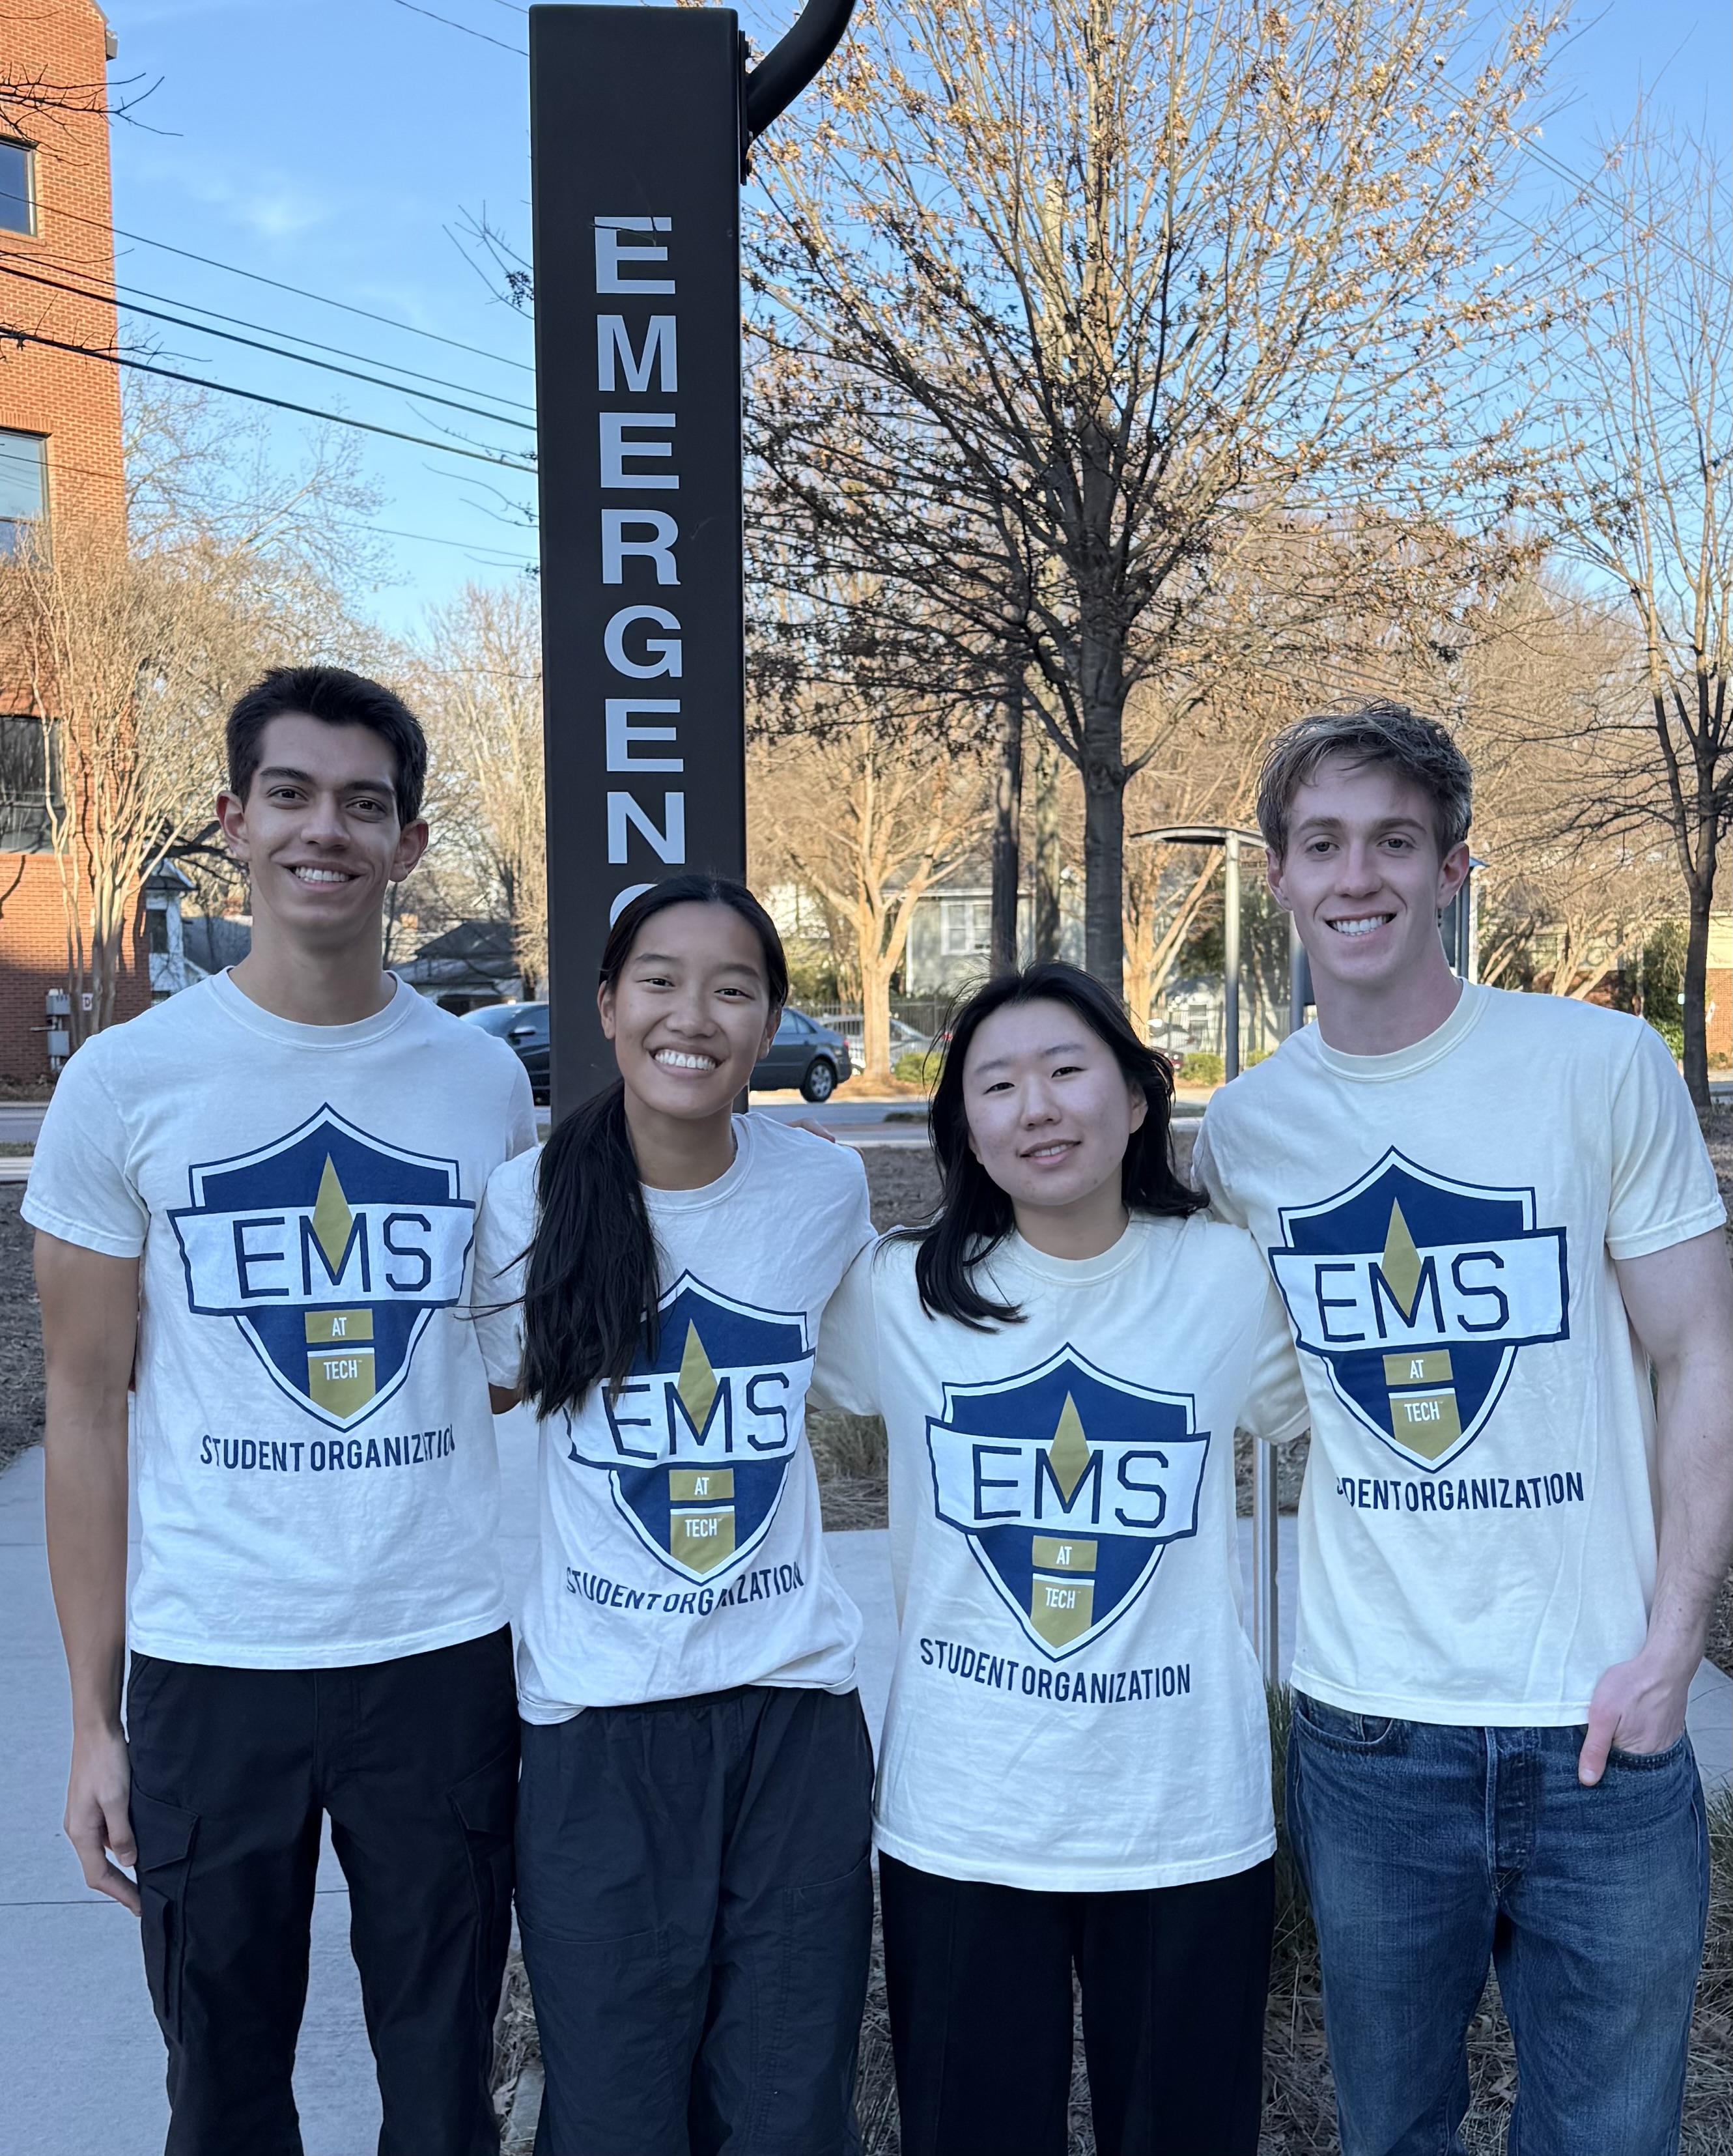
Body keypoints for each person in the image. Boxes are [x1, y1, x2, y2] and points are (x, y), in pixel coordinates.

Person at [1192, 701, 1733, 2156]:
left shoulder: (1598, 1067)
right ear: (1278, 872)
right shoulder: (1243, 1134)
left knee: (1607, 2134)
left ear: (1450, 868)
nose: (1353, 874)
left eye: (1391, 840)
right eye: (1321, 843)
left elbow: (1697, 1352)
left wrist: (1670, 1648)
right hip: (1371, 1728)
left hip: (1599, 1723)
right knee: (1390, 2132)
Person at [29, 666, 536, 2156]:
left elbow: (494, 1357)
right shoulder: (126, 1084)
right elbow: (82, 1407)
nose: (329, 829)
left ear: (410, 841)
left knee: (441, 2081)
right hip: (211, 1660)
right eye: (294, 795)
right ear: (232, 819)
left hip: (438, 1651)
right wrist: (88, 1718)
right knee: (225, 2087)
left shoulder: (476, 1085)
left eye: (364, 805)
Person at [811, 961, 1309, 2156]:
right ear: (965, 1131)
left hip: (1183, 1808)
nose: (1036, 1106)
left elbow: (1361, 1426)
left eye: (1066, 1069)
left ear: (1136, 1099)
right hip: (965, 1811)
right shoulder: (897, 1292)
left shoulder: (1227, 1275)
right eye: (996, 1084)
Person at [470, 873, 875, 2156]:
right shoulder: (525, 1204)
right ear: (605, 1003)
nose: (689, 1012)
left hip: (791, 1719)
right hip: (599, 1727)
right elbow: (480, 1419)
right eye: (658, 978)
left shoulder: (822, 1193)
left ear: (768, 1026)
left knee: (785, 2104)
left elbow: (876, 1371)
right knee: (614, 2107)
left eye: (731, 985)